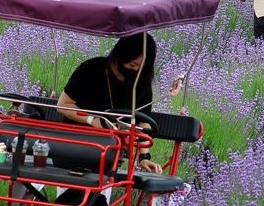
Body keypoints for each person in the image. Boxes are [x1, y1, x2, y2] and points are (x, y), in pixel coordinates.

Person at [57, 34, 177, 175]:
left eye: (141, 67)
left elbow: (143, 123)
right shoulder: (91, 69)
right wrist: (92, 120)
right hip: (75, 145)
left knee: (101, 186)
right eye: (132, 64)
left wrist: (144, 157)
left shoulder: (141, 82)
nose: (136, 70)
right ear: (121, 55)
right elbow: (63, 105)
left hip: (110, 153)